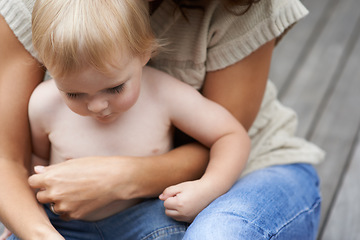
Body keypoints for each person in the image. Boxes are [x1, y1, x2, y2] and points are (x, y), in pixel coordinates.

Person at [0, 0, 325, 239]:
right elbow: (29, 161)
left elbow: (229, 135)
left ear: (146, 54)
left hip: (148, 215)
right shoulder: (44, 103)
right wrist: (31, 225)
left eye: (114, 87)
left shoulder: (163, 93)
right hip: (67, 224)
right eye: (74, 94)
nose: (98, 106)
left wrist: (207, 188)